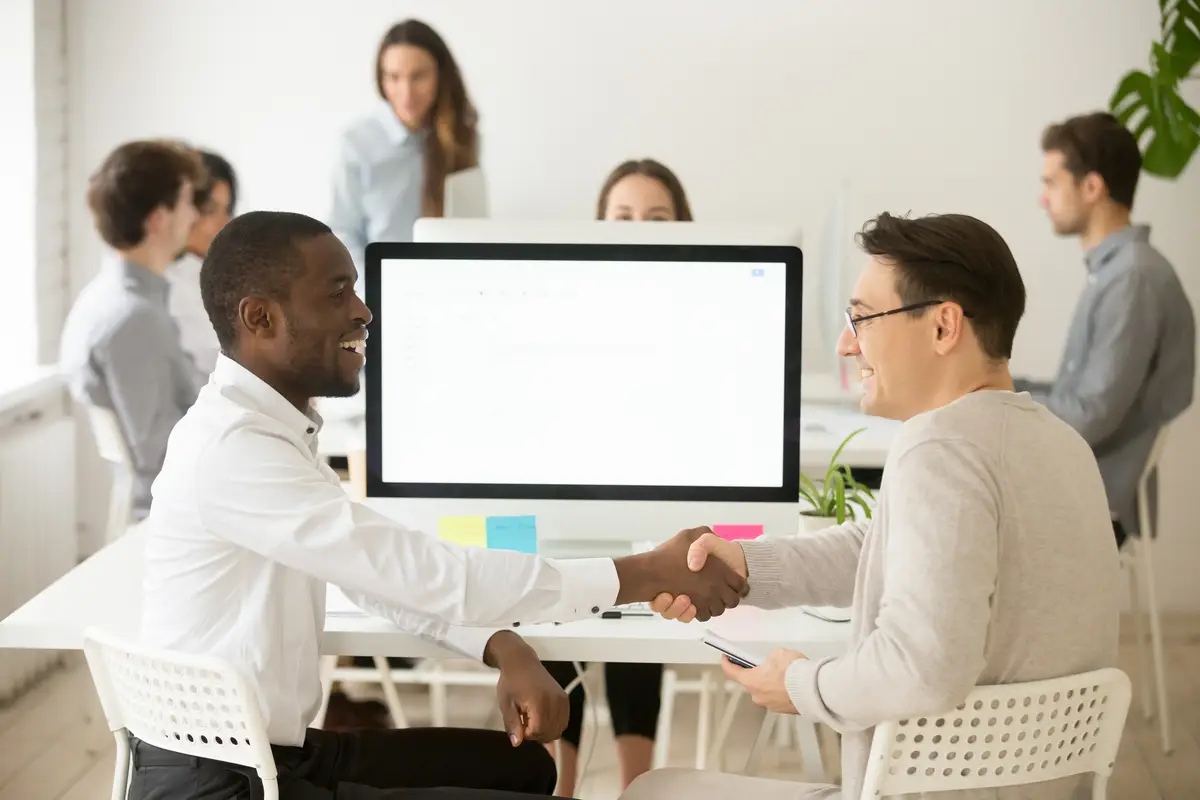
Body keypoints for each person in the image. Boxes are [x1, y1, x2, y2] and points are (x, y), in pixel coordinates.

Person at [131, 209, 748, 800]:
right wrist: (642, 574)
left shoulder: (273, 431)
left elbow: (373, 576)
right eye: (336, 294)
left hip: (275, 756)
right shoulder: (234, 449)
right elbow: (423, 571)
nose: (363, 312)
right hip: (224, 784)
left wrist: (502, 646)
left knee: (527, 769)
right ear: (259, 318)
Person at [625, 212, 1122, 800]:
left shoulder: (939, 447)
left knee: (656, 789)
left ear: (943, 327)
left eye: (861, 318)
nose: (845, 343)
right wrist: (746, 564)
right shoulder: (1063, 446)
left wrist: (802, 686)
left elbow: (922, 666)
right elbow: (894, 545)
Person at [540, 158, 694, 797]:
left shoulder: (702, 308)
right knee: (558, 603)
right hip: (567, 487)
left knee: (642, 599)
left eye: (657, 219)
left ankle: (638, 788)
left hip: (664, 488)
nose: (639, 230)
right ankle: (560, 786)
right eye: (623, 217)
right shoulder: (562, 306)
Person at [1017, 111, 1195, 547]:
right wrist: (994, 386)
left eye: (1051, 183)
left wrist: (1001, 400)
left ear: (1092, 187)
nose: (1042, 199)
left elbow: (1089, 416)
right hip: (1079, 480)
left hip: (1094, 498)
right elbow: (1077, 397)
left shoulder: (1131, 279)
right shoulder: (1116, 273)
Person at [59, 139, 204, 520]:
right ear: (159, 218)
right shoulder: (133, 319)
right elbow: (159, 456)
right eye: (188, 202)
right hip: (172, 517)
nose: (194, 216)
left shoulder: (113, 300)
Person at [330, 18, 479, 295]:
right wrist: (373, 289)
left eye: (418, 76)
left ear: (440, 75)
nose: (406, 92)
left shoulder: (460, 137)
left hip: (450, 288)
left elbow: (472, 223)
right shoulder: (356, 143)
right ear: (381, 78)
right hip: (378, 291)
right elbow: (343, 233)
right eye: (394, 77)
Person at [166, 148, 238, 376]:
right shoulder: (169, 285)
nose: (223, 223)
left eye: (227, 210)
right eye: (210, 210)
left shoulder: (218, 271)